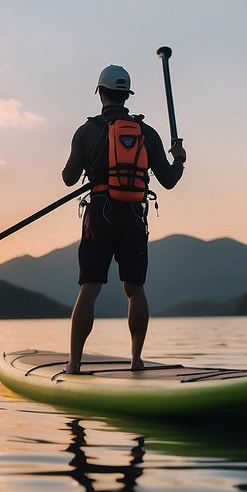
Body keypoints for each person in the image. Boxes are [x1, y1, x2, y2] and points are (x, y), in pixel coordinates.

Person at [61, 64, 186, 373]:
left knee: (89, 288)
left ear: (101, 93)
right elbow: (169, 180)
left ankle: (74, 364)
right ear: (126, 95)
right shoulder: (147, 132)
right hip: (133, 216)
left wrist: (89, 162)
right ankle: (136, 360)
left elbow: (68, 178)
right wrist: (179, 159)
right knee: (135, 288)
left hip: (99, 215)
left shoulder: (87, 130)